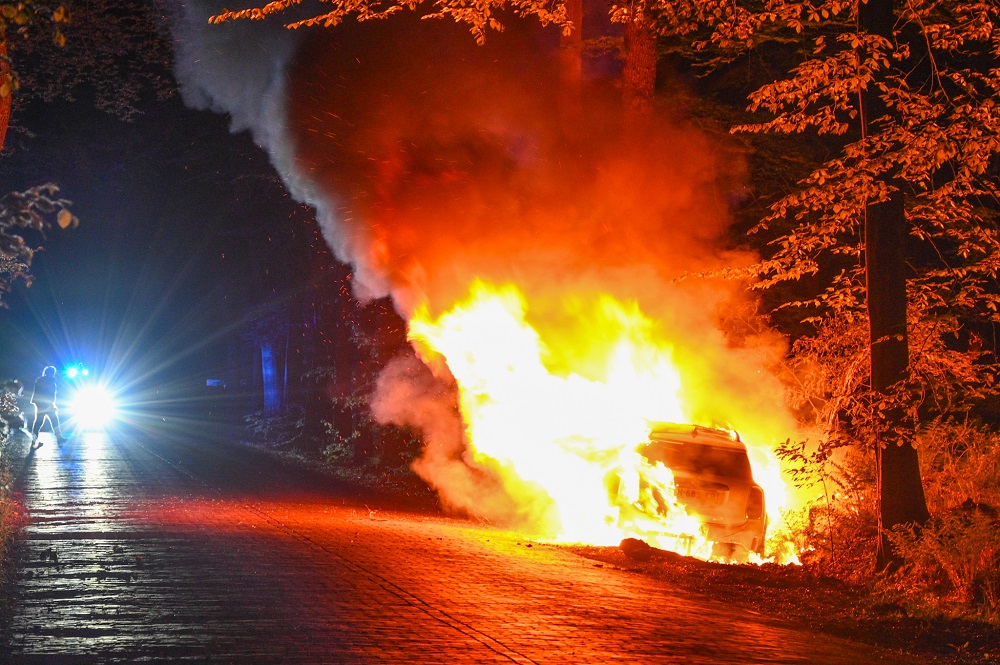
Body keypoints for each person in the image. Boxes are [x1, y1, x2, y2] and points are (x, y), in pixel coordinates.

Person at [30, 366, 67, 447]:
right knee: (49, 421)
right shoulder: (46, 381)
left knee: (41, 422)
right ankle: (58, 438)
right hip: (44, 403)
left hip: (44, 403)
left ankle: (34, 440)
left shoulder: (44, 380)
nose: (53, 374)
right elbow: (44, 393)